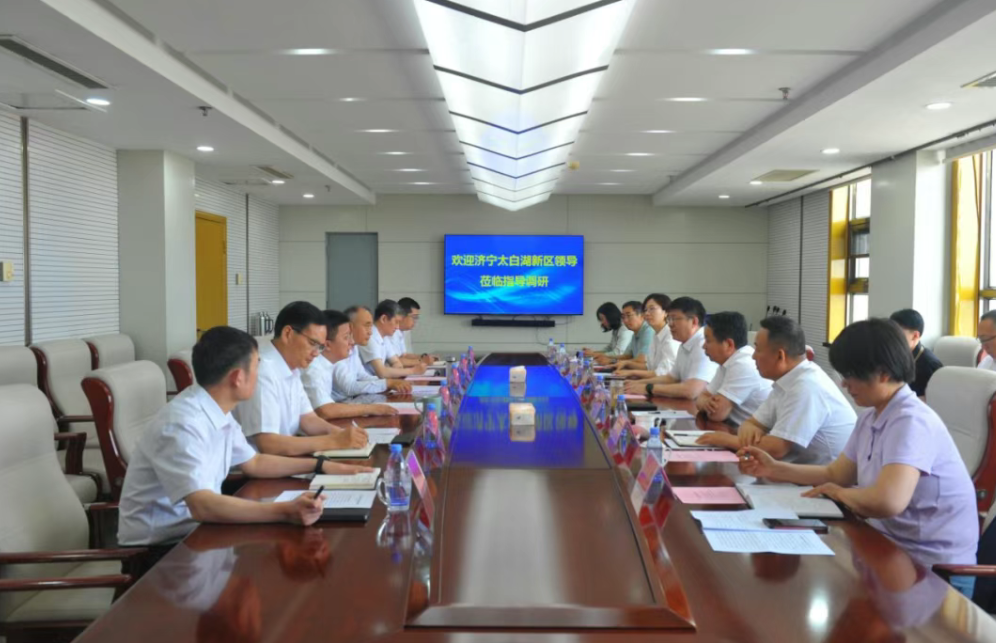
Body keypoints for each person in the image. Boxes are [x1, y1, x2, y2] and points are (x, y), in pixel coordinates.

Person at [739, 318, 978, 594]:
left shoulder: (911, 421)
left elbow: (887, 501)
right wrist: (773, 469)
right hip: (886, 547)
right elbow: (835, 474)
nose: (843, 383)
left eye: (851, 375)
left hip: (932, 569)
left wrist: (839, 493)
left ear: (883, 373)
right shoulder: (871, 417)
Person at [118, 326, 373, 547]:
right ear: (238, 378)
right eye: (256, 366)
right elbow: (202, 505)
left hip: (199, 531)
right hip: (161, 551)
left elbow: (254, 462)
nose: (260, 374)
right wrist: (284, 511)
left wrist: (321, 466)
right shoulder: (182, 424)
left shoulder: (216, 408)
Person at [697, 316, 855, 464]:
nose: (753, 357)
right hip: (791, 470)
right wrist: (752, 432)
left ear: (780, 355)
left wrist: (723, 439)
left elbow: (776, 448)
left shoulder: (806, 386)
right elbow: (751, 423)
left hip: (821, 478)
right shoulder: (787, 380)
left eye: (758, 350)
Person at [234, 301, 368, 457]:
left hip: (282, 459)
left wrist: (340, 433)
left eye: (320, 347)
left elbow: (308, 419)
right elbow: (268, 444)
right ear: (288, 334)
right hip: (255, 466)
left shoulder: (292, 365)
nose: (316, 353)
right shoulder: (262, 370)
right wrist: (334, 441)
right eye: (312, 343)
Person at [301, 310, 399, 420]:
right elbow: (325, 410)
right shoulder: (313, 368)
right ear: (327, 345)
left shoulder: (328, 363)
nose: (351, 342)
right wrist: (371, 408)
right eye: (346, 337)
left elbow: (362, 376)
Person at [625, 297, 717, 399]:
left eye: (675, 319)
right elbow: (671, 378)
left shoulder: (703, 345)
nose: (670, 324)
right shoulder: (684, 344)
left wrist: (648, 388)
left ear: (694, 321)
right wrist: (637, 383)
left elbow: (691, 391)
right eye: (669, 319)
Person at [694, 311, 772, 426]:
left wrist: (705, 404)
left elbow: (716, 414)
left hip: (750, 434)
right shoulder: (727, 362)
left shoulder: (743, 364)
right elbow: (701, 397)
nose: (703, 346)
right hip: (734, 428)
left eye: (708, 340)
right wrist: (706, 402)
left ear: (729, 344)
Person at [332, 306, 412, 401]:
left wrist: (389, 382)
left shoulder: (354, 347)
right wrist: (387, 383)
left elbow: (362, 376)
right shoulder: (338, 347)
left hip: (350, 400)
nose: (370, 332)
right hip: (337, 404)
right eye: (367, 326)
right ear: (350, 326)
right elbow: (349, 387)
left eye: (371, 326)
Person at [359, 299, 427, 378]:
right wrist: (413, 371)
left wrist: (392, 370)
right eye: (396, 322)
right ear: (384, 319)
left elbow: (396, 362)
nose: (397, 327)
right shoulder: (370, 337)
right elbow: (382, 373)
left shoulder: (384, 337)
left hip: (380, 382)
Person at [615, 293, 677, 377]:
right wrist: (626, 364)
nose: (647, 313)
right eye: (645, 310)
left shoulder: (671, 336)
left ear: (666, 312)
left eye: (652, 309)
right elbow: (650, 367)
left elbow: (664, 373)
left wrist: (632, 372)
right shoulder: (656, 335)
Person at [889, 309, 943, 397]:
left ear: (915, 336)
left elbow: (933, 400)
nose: (892, 339)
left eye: (897, 334)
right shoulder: (895, 355)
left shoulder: (930, 365)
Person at [593, 300, 652, 366]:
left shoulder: (649, 331)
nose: (625, 321)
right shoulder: (635, 333)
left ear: (642, 316)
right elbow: (626, 356)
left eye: (629, 315)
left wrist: (611, 361)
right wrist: (604, 357)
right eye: (623, 317)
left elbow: (641, 360)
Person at [392, 297, 437, 367]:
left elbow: (404, 355)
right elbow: (395, 361)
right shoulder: (391, 332)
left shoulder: (402, 332)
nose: (415, 321)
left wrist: (424, 357)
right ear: (402, 316)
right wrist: (421, 361)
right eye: (414, 317)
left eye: (417, 318)